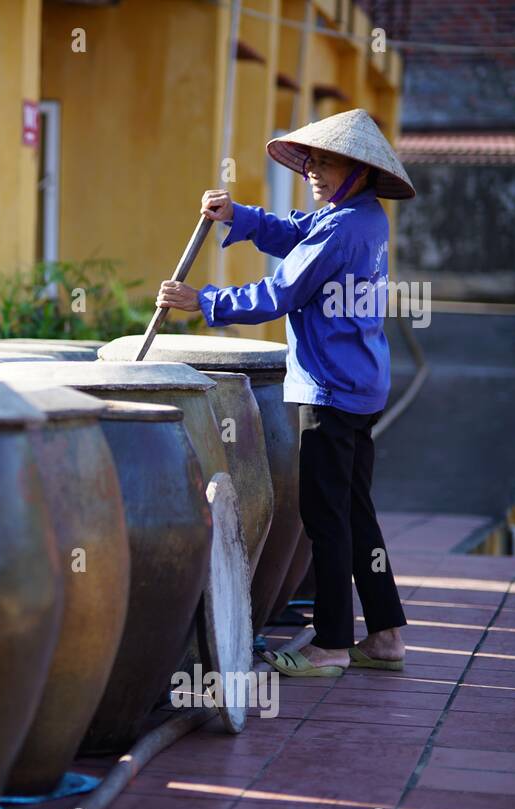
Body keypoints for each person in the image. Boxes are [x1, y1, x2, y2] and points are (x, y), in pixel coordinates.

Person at [155, 108, 415, 678]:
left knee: (326, 519)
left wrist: (203, 302)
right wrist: (239, 216)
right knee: (355, 510)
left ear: (362, 171)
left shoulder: (342, 228)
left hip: (328, 390)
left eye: (330, 162)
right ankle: (386, 634)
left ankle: (328, 645)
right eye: (314, 161)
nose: (316, 171)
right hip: (360, 384)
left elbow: (282, 292)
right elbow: (297, 234)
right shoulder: (362, 219)